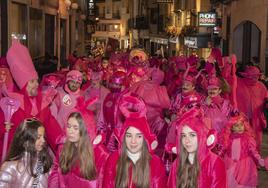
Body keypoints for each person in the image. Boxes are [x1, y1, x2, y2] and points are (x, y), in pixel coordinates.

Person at [48, 110, 108, 188]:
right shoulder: (63, 147)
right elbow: (55, 174)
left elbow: (104, 183)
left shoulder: (99, 153)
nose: (70, 131)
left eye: (75, 128)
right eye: (68, 126)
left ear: (85, 130)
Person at [168, 109, 226, 188]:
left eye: (192, 135)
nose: (187, 140)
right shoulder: (177, 163)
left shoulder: (215, 163)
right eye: (183, 136)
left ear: (201, 136)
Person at [103, 117, 167, 188]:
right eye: (129, 136)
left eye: (139, 136)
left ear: (145, 138)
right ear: (123, 137)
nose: (133, 141)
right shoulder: (113, 159)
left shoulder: (156, 163)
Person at [0, 118, 52, 187]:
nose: (43, 140)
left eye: (43, 137)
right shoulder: (10, 167)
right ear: (26, 140)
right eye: (38, 137)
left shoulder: (46, 165)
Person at [220, 113, 268, 188]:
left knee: (243, 183)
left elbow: (254, 152)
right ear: (231, 128)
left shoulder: (248, 139)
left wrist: (260, 160)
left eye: (241, 125)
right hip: (230, 165)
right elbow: (222, 151)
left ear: (245, 125)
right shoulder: (228, 139)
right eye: (236, 126)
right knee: (230, 182)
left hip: (245, 166)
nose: (240, 127)